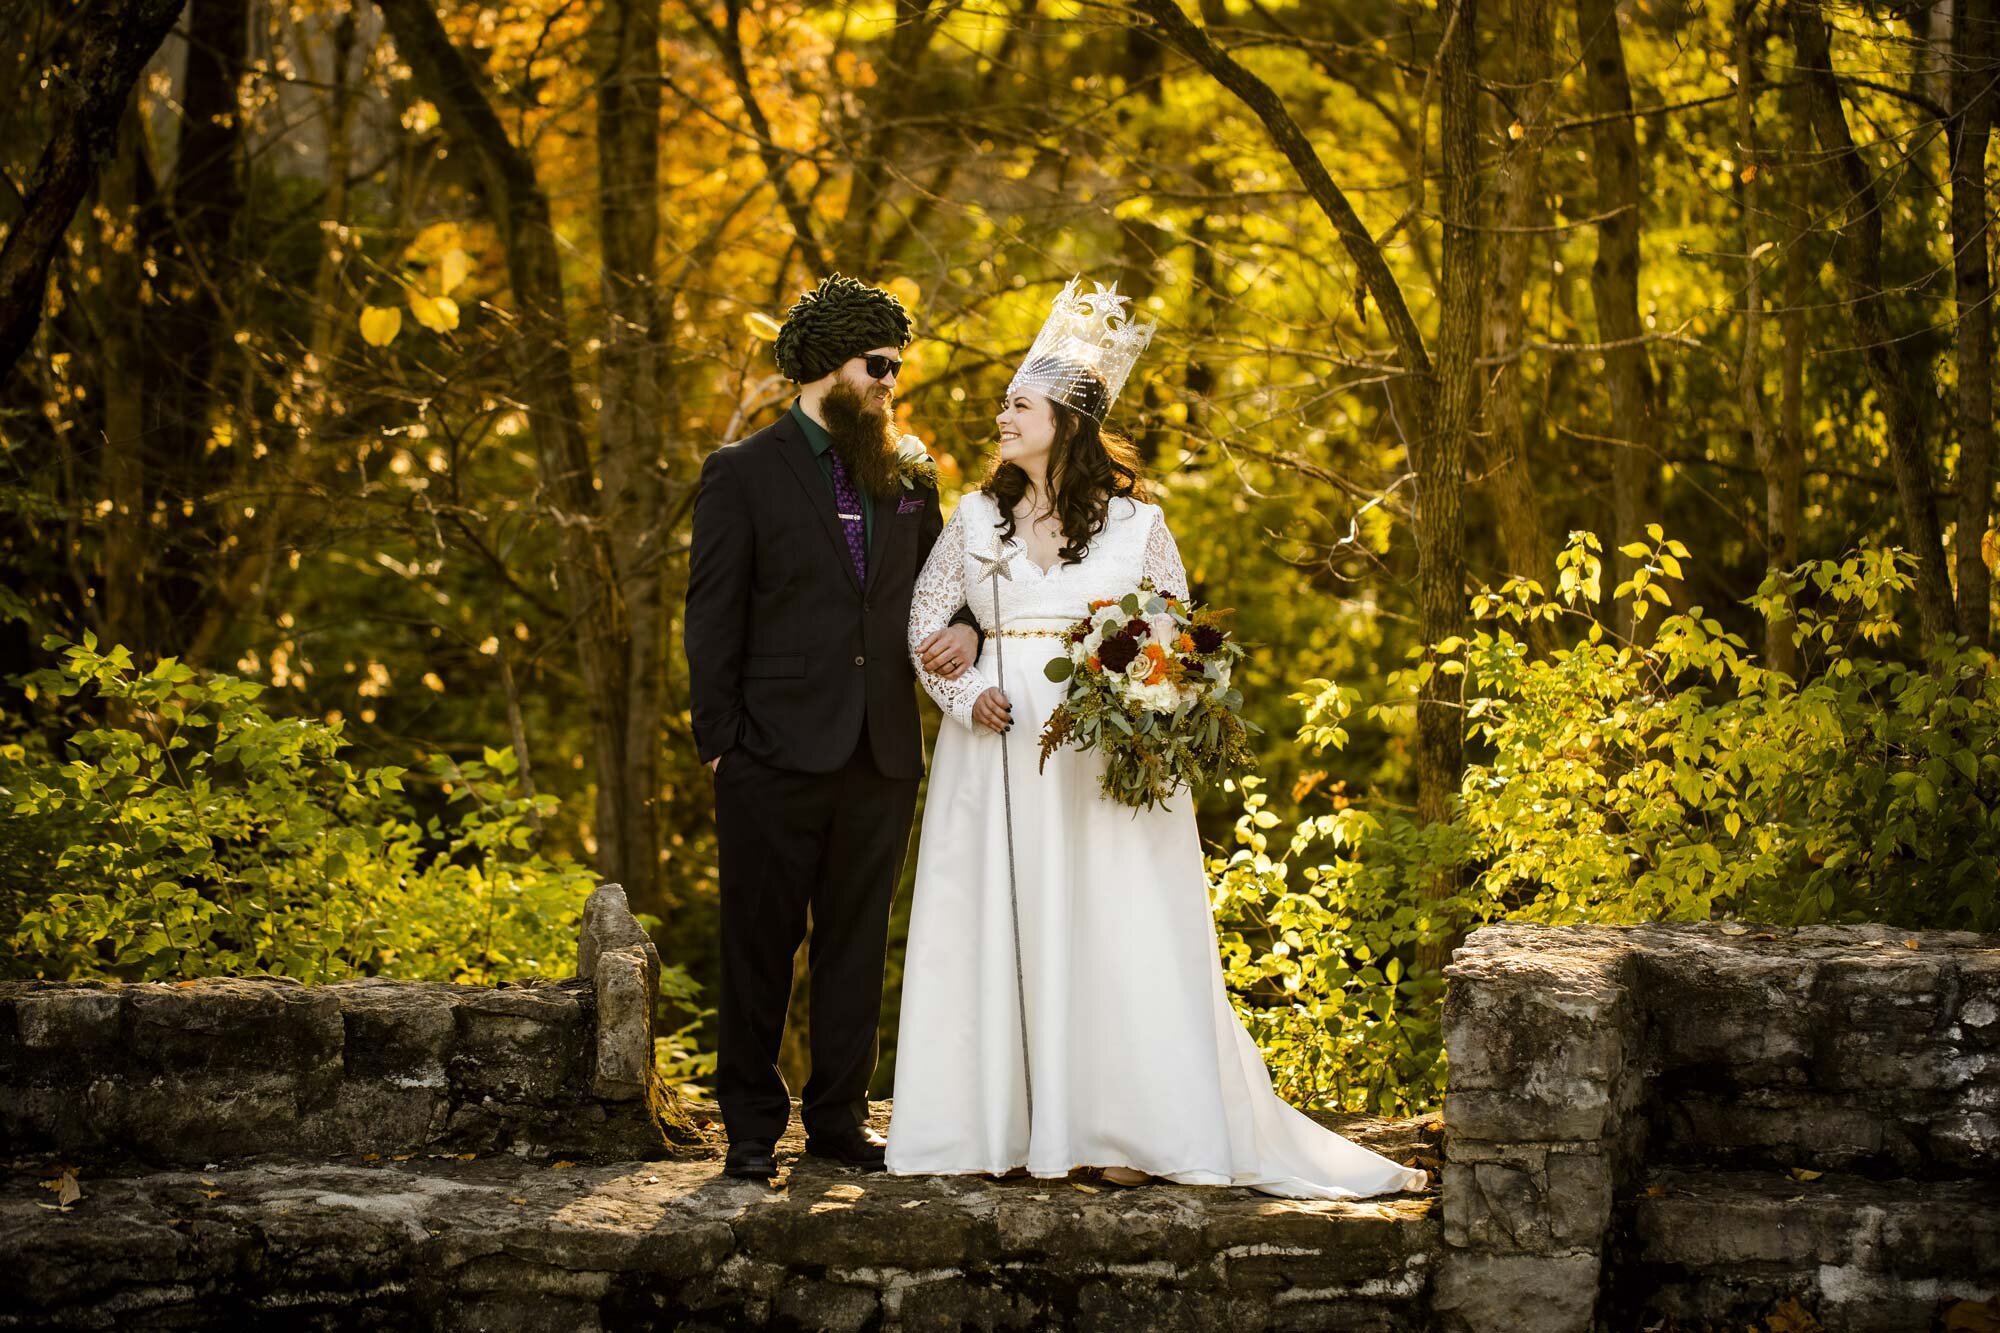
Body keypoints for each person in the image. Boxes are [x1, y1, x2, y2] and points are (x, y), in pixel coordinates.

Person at [886, 279, 1427, 1199]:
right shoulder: (975, 522)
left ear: (1066, 418)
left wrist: (1142, 705)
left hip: (1106, 763)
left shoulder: (1140, 525)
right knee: (1001, 927)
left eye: (1018, 404)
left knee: (1114, 928)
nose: (1001, 418)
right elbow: (926, 622)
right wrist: (969, 685)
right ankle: (1000, 1123)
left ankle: (1121, 1122)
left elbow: (1175, 637)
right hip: (999, 757)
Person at [684, 274, 980, 1181]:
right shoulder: (740, 472)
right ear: (824, 366)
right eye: (877, 364)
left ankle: (840, 1120)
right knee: (758, 946)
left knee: (855, 946)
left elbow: (946, 589)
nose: (892, 380)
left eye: (898, 365)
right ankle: (748, 1128)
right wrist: (722, 741)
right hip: (769, 751)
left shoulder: (911, 474)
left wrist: (969, 623)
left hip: (883, 749)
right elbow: (711, 614)